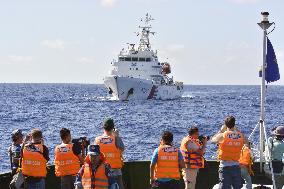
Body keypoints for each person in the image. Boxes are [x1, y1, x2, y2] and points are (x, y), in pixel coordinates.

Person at [212, 116, 246, 189]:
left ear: (225, 125)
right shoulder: (241, 136)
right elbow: (247, 142)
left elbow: (213, 140)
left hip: (225, 167)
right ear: (234, 124)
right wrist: (236, 130)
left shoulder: (223, 135)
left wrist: (221, 131)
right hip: (236, 166)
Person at [95, 118, 125, 189]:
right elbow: (122, 149)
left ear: (103, 128)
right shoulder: (116, 139)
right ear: (112, 128)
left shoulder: (97, 140)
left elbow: (94, 155)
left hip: (102, 172)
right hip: (116, 172)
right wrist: (117, 136)